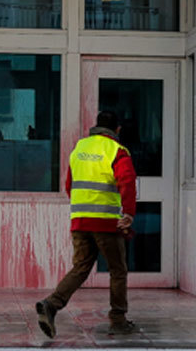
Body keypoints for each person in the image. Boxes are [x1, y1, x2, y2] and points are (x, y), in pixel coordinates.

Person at [36, 110, 137, 338]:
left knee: (81, 268)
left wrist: (83, 208)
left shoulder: (80, 148)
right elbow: (127, 182)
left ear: (96, 126)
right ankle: (118, 319)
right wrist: (128, 213)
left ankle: (51, 305)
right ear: (117, 130)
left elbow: (70, 185)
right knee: (118, 270)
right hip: (106, 223)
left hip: (80, 220)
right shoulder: (117, 151)